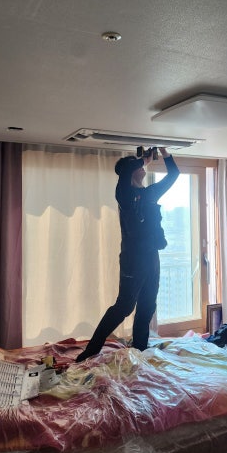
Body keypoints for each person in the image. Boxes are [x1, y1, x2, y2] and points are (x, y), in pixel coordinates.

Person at [76, 147, 179, 362]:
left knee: (148, 304)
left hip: (152, 257)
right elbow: (124, 170)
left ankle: (139, 349)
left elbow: (173, 175)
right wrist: (144, 159)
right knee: (124, 306)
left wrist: (165, 152)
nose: (142, 167)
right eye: (137, 165)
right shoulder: (124, 193)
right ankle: (91, 351)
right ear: (131, 170)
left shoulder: (150, 193)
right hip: (133, 259)